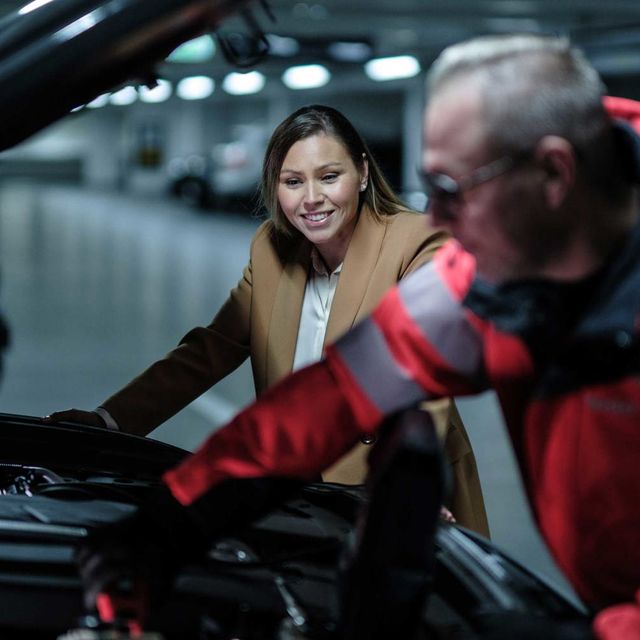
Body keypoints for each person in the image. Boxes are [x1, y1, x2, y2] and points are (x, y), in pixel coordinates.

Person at [76, 34, 640, 638]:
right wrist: (170, 522)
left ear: (554, 173)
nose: (440, 219)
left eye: (453, 190)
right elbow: (333, 398)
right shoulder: (478, 276)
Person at [45, 104, 488, 535]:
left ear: (363, 174)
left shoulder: (419, 241)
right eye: (293, 181)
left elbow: (418, 366)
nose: (312, 198)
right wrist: (109, 421)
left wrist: (415, 484)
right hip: (300, 496)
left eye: (329, 177)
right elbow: (211, 349)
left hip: (395, 493)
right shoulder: (272, 247)